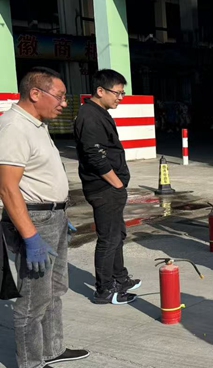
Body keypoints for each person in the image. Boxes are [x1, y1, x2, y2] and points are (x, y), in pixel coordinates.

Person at [0, 67, 89, 368]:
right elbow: (8, 188)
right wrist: (31, 236)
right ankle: (30, 364)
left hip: (54, 216)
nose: (64, 103)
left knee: (54, 289)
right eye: (61, 96)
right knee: (33, 296)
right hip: (34, 219)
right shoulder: (13, 127)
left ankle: (53, 348)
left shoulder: (36, 125)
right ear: (35, 93)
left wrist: (61, 216)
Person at [74, 69, 139, 305]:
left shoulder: (99, 112)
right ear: (100, 91)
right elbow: (95, 156)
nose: (120, 98)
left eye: (123, 93)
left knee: (117, 234)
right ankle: (104, 290)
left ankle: (119, 278)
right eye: (117, 93)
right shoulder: (89, 116)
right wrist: (117, 183)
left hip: (111, 188)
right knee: (109, 238)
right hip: (104, 189)